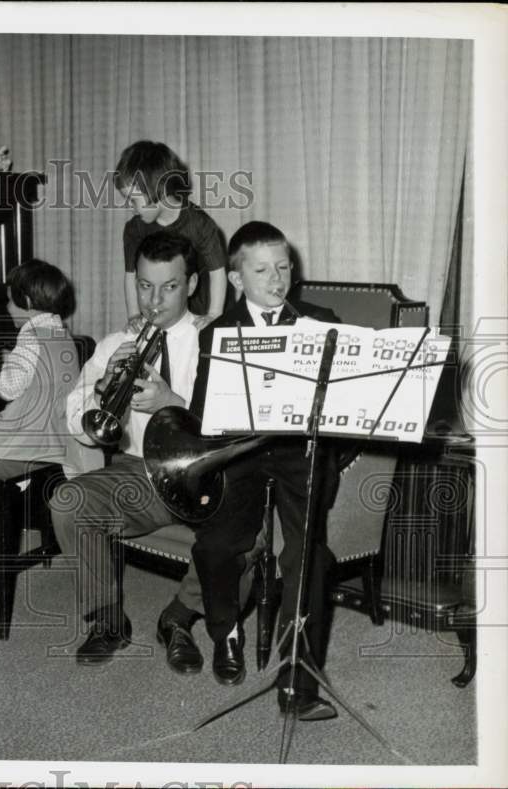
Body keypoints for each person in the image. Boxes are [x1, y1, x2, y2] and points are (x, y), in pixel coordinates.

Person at [190, 220, 341, 721]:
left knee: (307, 556)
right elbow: (202, 415)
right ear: (236, 279)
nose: (277, 279)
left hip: (302, 454)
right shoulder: (215, 333)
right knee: (214, 545)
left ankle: (297, 681)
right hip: (243, 457)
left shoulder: (323, 322)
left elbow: (345, 403)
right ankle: (225, 632)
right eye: (262, 270)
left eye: (283, 267)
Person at [50, 232, 206, 666]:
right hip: (142, 474)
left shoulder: (213, 339)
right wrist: (103, 390)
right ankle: (108, 621)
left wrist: (172, 403)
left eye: (169, 287)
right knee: (68, 502)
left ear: (191, 285)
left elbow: (232, 426)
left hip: (205, 474)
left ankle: (179, 616)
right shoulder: (115, 344)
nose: (153, 300)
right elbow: (76, 418)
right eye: (144, 285)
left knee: (252, 534)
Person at [0, 259, 103, 478]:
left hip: (29, 435)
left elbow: (8, 389)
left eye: (10, 301)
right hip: (59, 431)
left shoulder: (30, 338)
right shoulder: (62, 335)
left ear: (27, 302)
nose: (7, 307)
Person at [115, 140, 229, 330]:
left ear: (158, 191)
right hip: (163, 306)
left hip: (202, 304)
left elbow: (217, 273)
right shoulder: (134, 229)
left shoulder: (199, 223)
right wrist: (134, 315)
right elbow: (131, 275)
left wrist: (214, 315)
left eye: (133, 200)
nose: (129, 207)